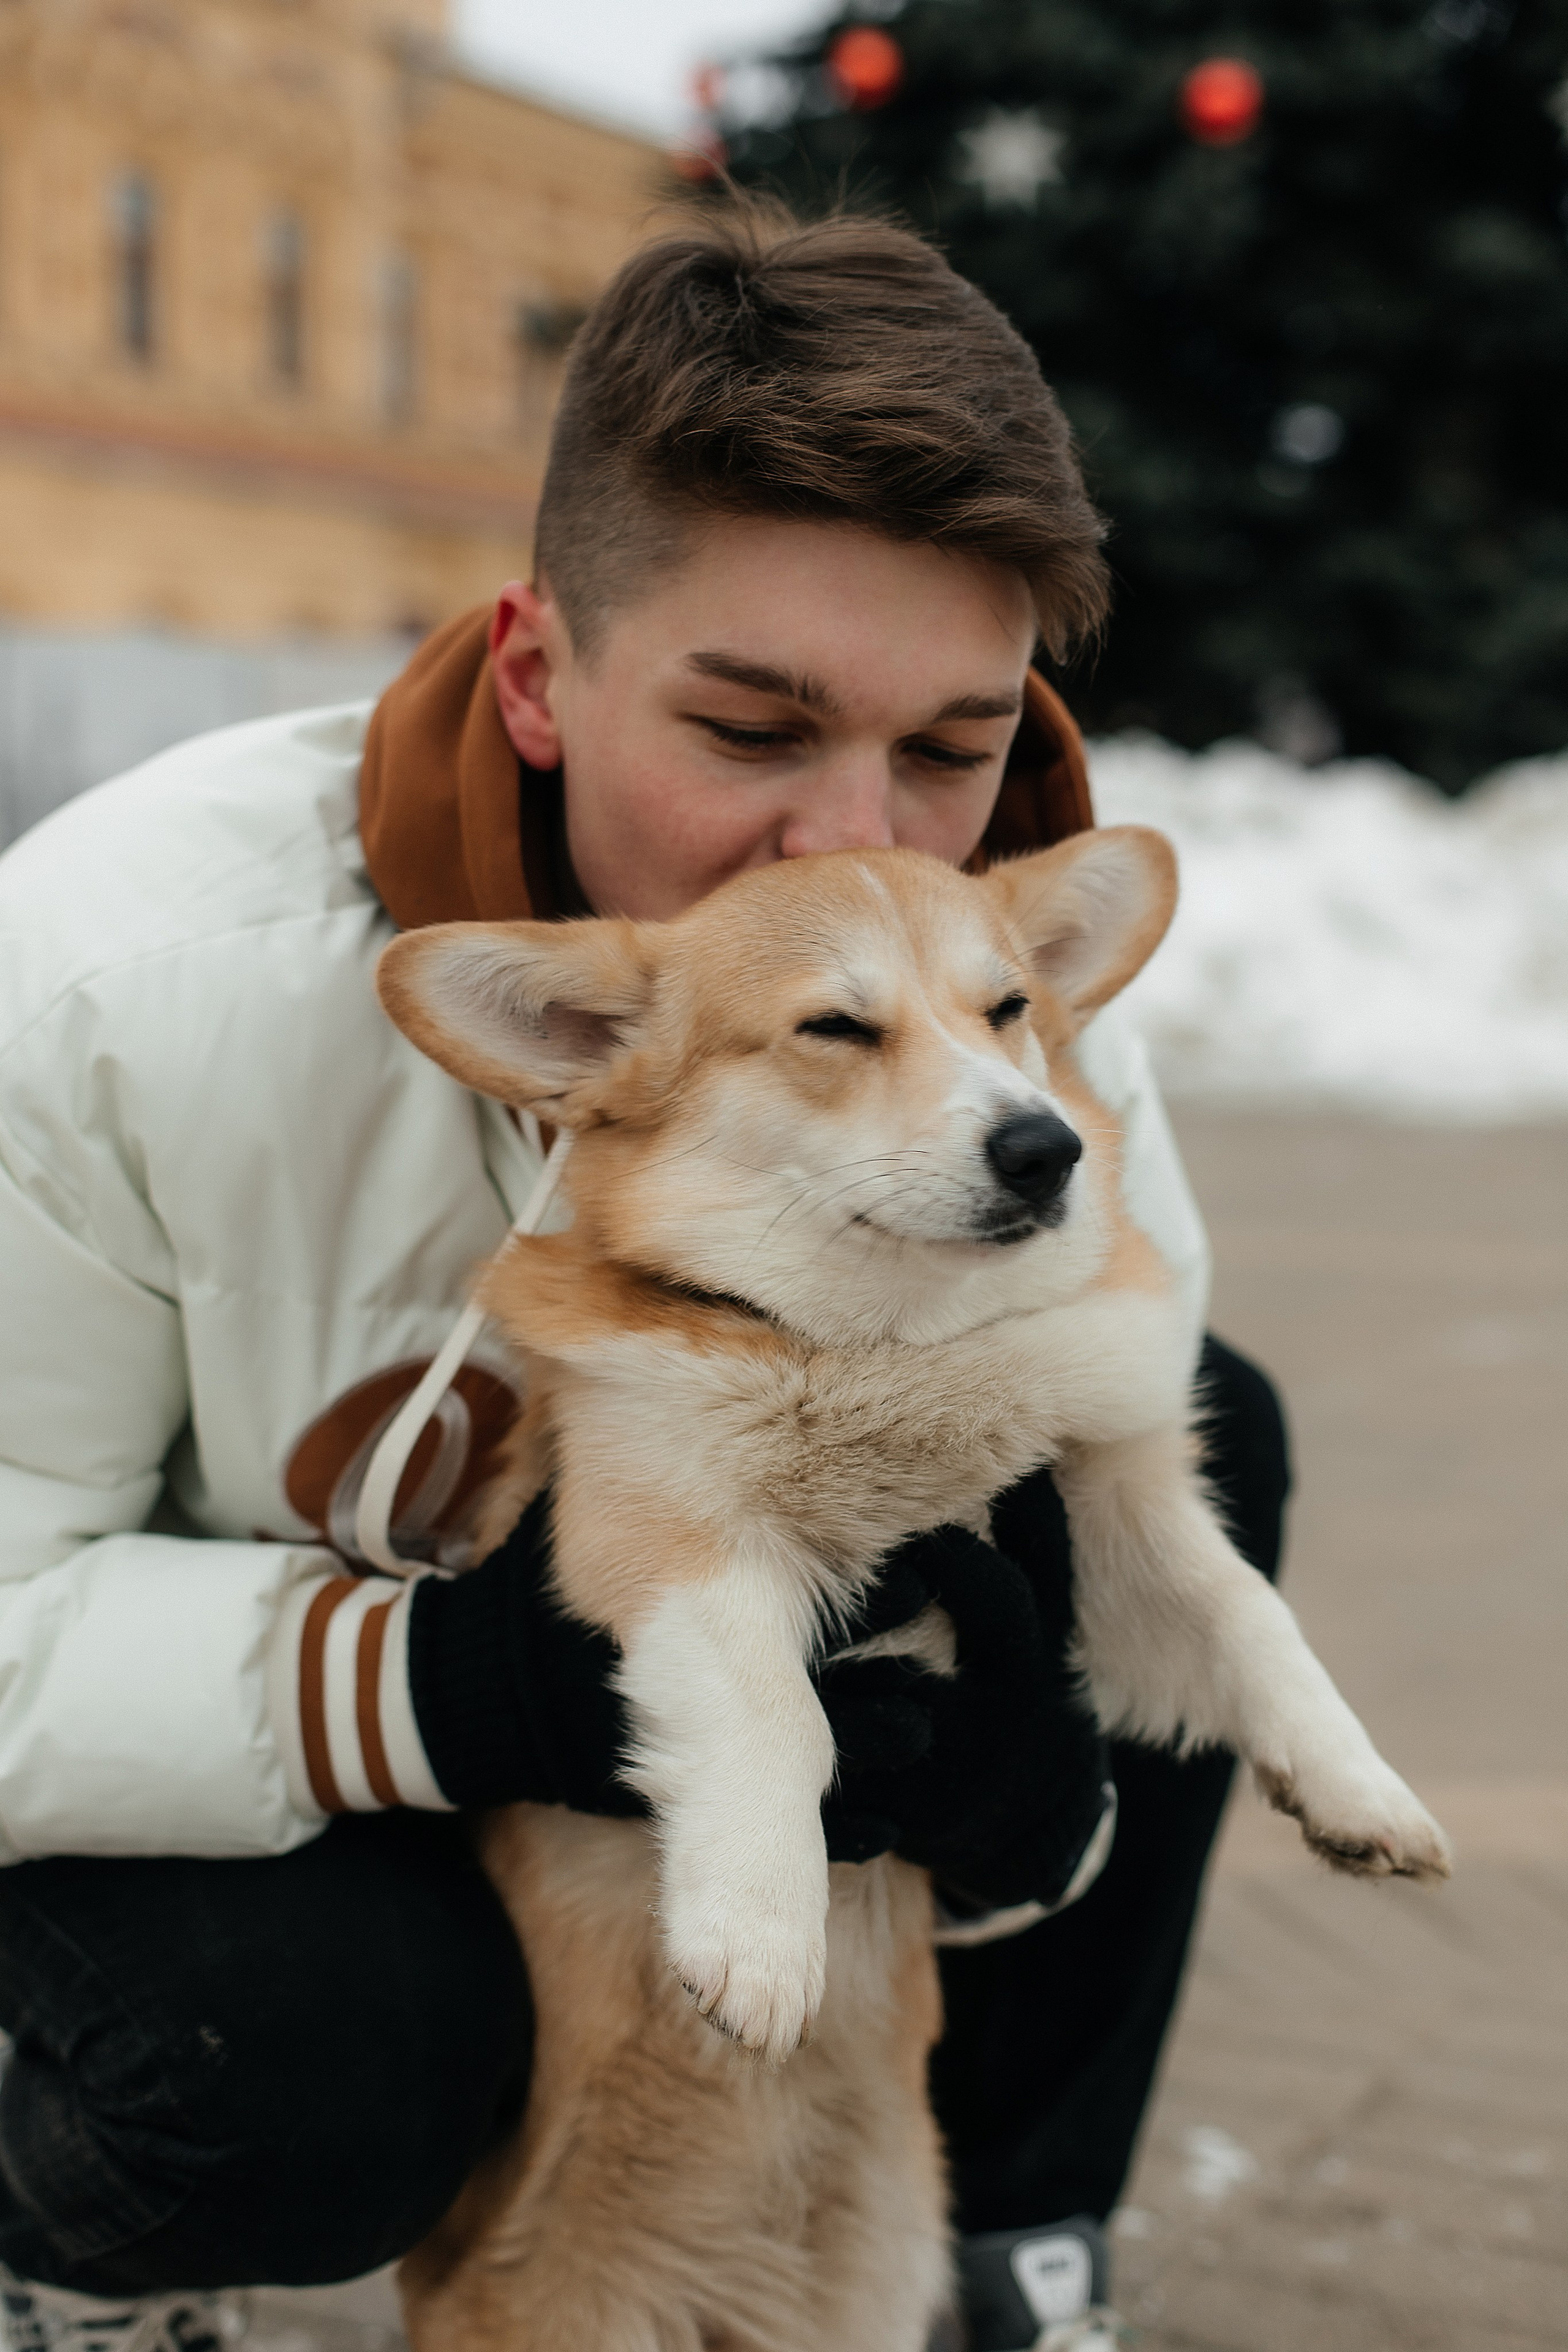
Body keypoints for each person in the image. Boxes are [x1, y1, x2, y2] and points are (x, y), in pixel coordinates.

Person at [0, 202, 1287, 2352]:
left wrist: (1024, 1796)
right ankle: (75, 2243)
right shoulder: (108, 986)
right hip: (232, 1822)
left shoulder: (981, 1005)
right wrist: (453, 1688)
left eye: (950, 749)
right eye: (755, 727)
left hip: (678, 1794)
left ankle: (996, 2255)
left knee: (1205, 1429)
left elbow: (1085, 1561)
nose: (847, 849)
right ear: (537, 671)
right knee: (295, 2067)